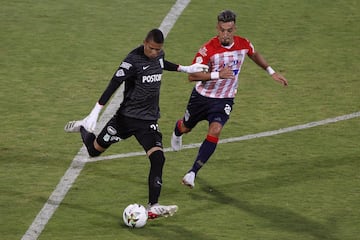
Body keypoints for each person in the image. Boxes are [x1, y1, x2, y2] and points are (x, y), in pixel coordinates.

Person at [64, 28, 208, 219]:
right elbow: (112, 85)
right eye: (151, 49)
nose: (154, 53)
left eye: (158, 49)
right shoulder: (132, 61)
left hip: (148, 120)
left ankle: (153, 206)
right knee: (93, 150)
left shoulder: (158, 55)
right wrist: (94, 113)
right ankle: (82, 127)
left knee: (158, 158)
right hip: (126, 119)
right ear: (144, 43)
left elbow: (162, 63)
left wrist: (185, 68)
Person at [171, 10, 288, 189]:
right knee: (186, 127)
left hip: (224, 99)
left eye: (229, 30)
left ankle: (192, 172)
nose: (225, 34)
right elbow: (192, 76)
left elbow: (254, 54)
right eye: (222, 30)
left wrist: (271, 71)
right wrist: (218, 74)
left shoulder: (243, 44)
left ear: (234, 29)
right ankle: (178, 131)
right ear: (217, 28)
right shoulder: (208, 49)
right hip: (202, 97)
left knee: (216, 129)